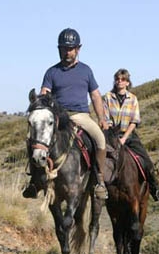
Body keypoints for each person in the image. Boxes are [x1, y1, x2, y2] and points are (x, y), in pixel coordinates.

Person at [24, 28, 108, 199]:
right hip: (58, 117)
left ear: (78, 49)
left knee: (100, 139)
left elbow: (95, 95)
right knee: (34, 140)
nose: (67, 52)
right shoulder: (52, 72)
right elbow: (45, 92)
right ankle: (34, 182)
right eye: (63, 48)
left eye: (70, 48)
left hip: (80, 115)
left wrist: (101, 118)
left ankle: (99, 181)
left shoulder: (86, 70)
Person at [103, 69, 159, 202]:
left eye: (123, 79)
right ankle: (98, 189)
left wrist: (124, 138)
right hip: (111, 135)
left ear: (127, 82)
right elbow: (105, 118)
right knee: (100, 159)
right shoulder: (108, 97)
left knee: (146, 160)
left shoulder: (133, 99)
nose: (119, 81)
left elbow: (134, 120)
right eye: (117, 79)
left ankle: (155, 189)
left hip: (129, 135)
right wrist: (114, 137)